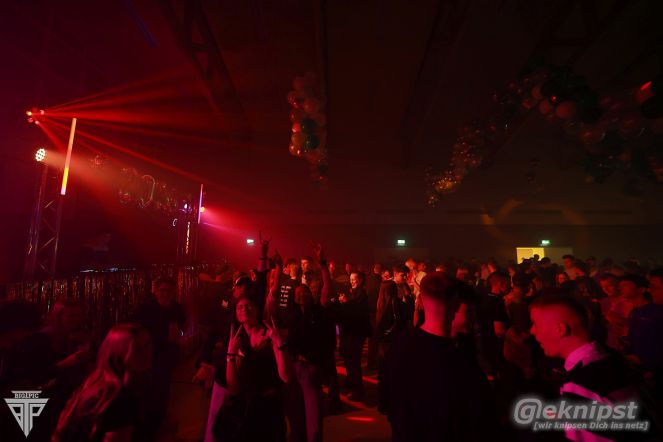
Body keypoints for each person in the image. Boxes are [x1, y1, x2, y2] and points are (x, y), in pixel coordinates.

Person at [385, 272, 498, 441]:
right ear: (453, 305)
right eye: (468, 311)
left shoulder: (401, 344)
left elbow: (388, 403)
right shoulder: (452, 355)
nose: (474, 318)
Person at [529, 294, 654, 442]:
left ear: (560, 329)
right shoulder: (609, 358)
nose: (532, 331)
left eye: (536, 324)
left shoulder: (581, 384)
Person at [53, 323, 152, 442]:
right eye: (136, 350)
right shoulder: (121, 399)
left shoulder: (94, 384)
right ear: (118, 354)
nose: (146, 354)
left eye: (147, 345)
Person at [212, 296, 292, 442]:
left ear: (256, 310)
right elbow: (233, 389)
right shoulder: (235, 340)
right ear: (236, 314)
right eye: (240, 307)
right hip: (245, 409)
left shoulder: (270, 335)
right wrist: (230, 354)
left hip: (269, 406)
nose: (244, 309)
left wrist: (279, 343)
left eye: (248, 305)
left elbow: (285, 376)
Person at [132, 275, 185, 437]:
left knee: (162, 394)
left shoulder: (176, 309)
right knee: (146, 395)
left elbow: (181, 328)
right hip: (147, 357)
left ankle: (156, 428)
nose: (165, 294)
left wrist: (178, 335)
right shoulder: (145, 308)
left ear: (173, 292)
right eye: (162, 290)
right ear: (155, 291)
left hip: (165, 357)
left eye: (168, 291)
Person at [331, 271, 371, 401]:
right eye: (351, 279)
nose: (351, 281)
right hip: (349, 332)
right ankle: (350, 382)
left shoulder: (361, 295)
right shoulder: (354, 292)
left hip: (355, 334)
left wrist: (345, 303)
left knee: (353, 363)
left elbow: (357, 314)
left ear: (360, 280)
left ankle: (358, 391)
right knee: (349, 361)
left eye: (354, 279)